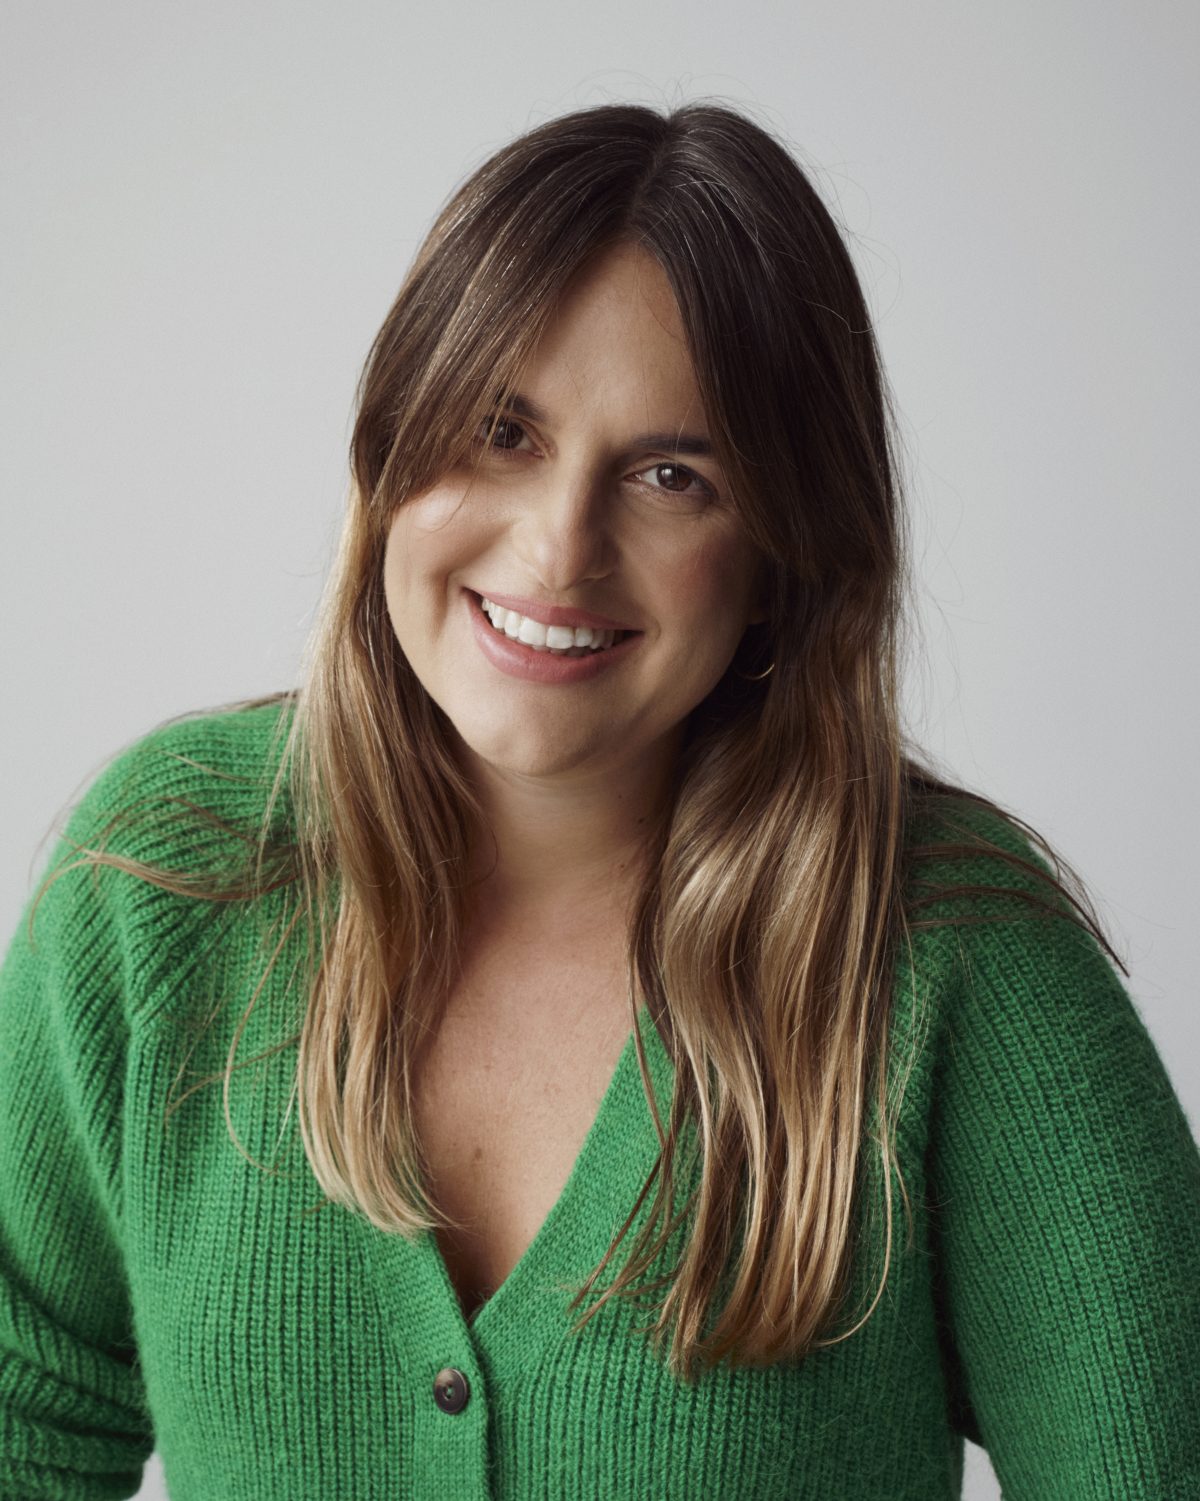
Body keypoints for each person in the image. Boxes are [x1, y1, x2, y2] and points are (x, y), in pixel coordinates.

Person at [2, 100, 1197, 1501]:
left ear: (783, 554)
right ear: (391, 451)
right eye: (500, 431)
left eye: (672, 475)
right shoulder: (169, 882)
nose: (561, 547)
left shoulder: (944, 954)